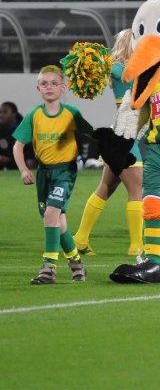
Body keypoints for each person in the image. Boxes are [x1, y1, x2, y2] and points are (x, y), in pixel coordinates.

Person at [12, 65, 92, 284]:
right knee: (59, 222)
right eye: (45, 84)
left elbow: (91, 134)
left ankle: (48, 269)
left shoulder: (72, 114)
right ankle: (77, 264)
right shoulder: (34, 115)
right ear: (38, 87)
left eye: (54, 83)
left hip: (65, 172)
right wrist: (23, 169)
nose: (49, 87)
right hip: (44, 174)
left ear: (63, 87)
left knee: (50, 215)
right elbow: (18, 146)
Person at [72, 30, 144, 257]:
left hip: (121, 134)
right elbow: (100, 64)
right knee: (136, 190)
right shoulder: (124, 70)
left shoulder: (128, 69)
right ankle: (136, 246)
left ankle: (80, 238)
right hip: (126, 136)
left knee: (106, 188)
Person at [0, 101, 23, 169]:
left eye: (5, 112)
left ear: (14, 114)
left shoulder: (23, 130)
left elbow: (29, 154)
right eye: (0, 112)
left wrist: (9, 159)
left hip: (22, 164)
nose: (1, 115)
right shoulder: (1, 130)